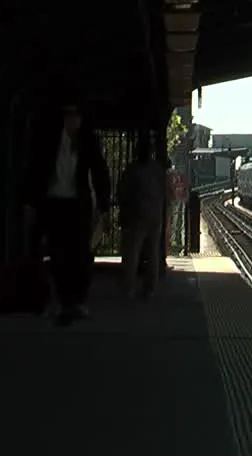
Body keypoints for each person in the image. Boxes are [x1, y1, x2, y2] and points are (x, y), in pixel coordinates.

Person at [21, 97, 110, 326]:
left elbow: (99, 170)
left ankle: (77, 299)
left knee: (80, 254)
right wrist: (30, 201)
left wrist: (103, 203)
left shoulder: (87, 141)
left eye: (77, 115)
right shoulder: (49, 141)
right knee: (58, 253)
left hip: (77, 204)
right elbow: (35, 170)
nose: (74, 120)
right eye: (69, 115)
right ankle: (64, 300)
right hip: (53, 203)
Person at [118, 132, 165, 299]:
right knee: (153, 252)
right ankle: (150, 288)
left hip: (136, 214)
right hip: (155, 214)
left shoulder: (132, 170)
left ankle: (128, 287)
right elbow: (163, 190)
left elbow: (123, 192)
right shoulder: (157, 170)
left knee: (132, 253)